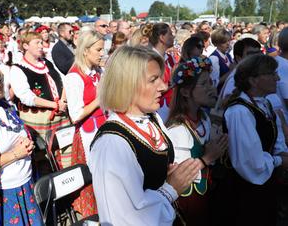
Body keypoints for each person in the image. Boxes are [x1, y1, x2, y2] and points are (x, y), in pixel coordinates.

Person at [89, 46, 202, 226]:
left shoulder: (152, 118)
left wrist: (165, 176)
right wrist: (170, 189)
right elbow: (124, 219)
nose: (164, 86)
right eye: (153, 80)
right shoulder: (112, 144)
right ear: (128, 85)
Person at [211, 54, 288, 226]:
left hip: (264, 185)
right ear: (253, 80)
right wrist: (278, 160)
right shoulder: (240, 111)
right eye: (272, 73)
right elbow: (250, 164)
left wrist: (282, 155)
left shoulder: (264, 104)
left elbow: (276, 142)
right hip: (245, 191)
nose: (278, 78)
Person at [166, 57, 228, 226]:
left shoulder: (204, 118)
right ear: (186, 92)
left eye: (210, 82)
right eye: (204, 84)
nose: (211, 88)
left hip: (205, 199)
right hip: (189, 205)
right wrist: (206, 158)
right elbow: (178, 177)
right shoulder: (177, 130)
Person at [0, 64, 42, 225]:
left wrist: (27, 143)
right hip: (6, 193)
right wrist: (17, 154)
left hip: (27, 184)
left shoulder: (6, 108)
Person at [10, 31, 71, 172]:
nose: (41, 45)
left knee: (65, 151)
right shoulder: (17, 68)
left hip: (60, 115)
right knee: (43, 159)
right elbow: (26, 97)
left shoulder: (47, 62)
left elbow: (64, 81)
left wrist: (62, 102)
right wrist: (54, 105)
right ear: (25, 46)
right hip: (37, 120)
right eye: (36, 43)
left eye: (41, 42)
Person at [65, 31, 107, 217]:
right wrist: (98, 100)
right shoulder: (74, 77)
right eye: (98, 50)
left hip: (103, 128)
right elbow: (75, 114)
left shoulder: (97, 71)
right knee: (94, 177)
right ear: (85, 50)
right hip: (88, 134)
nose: (101, 53)